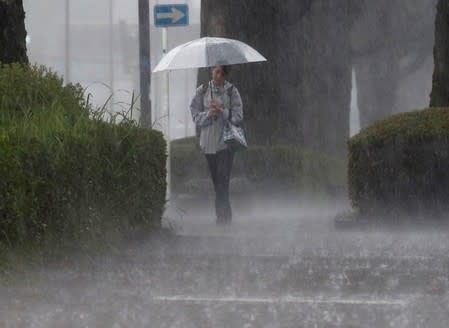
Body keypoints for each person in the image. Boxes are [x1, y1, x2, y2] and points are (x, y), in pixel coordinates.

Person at [190, 65, 243, 224]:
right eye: (216, 71)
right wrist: (208, 114)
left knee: (222, 179)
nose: (218, 75)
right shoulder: (202, 90)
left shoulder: (232, 91)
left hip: (225, 143)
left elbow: (238, 117)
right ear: (212, 70)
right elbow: (194, 114)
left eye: (222, 72)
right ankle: (224, 214)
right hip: (208, 144)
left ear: (226, 74)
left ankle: (223, 217)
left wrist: (222, 111)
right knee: (217, 181)